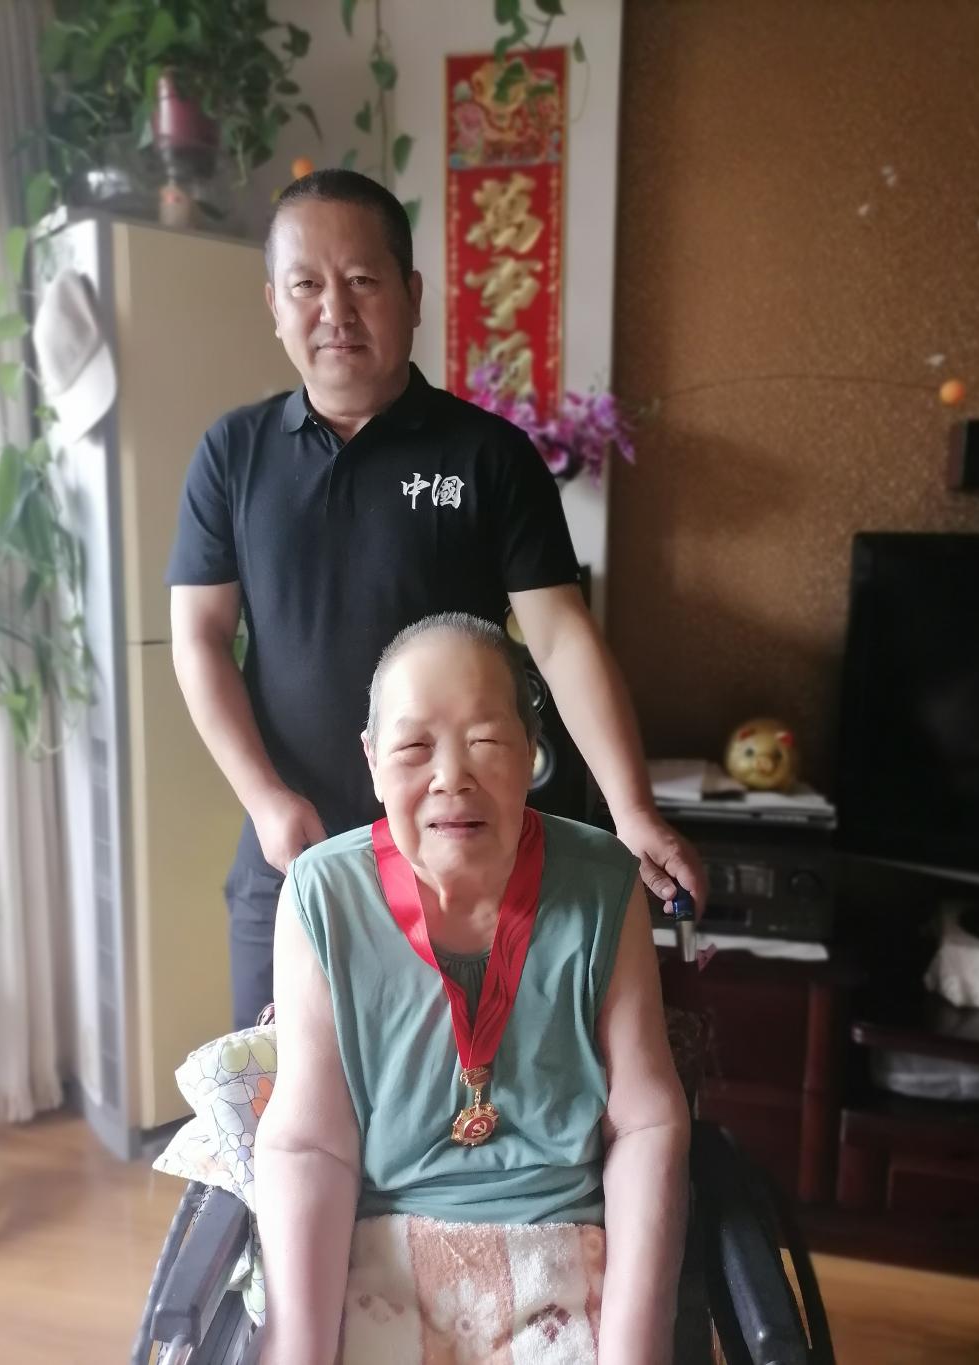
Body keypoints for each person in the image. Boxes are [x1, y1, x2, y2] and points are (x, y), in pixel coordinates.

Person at [167, 168, 704, 1028]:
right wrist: (264, 797)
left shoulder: (490, 456)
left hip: (460, 858)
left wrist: (632, 809)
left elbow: (561, 637)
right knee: (282, 1100)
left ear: (412, 295)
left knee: (463, 1098)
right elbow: (199, 637)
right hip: (293, 853)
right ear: (274, 304)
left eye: (362, 280)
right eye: (306, 285)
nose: (335, 310)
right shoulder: (234, 454)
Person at [254, 614, 690, 1364]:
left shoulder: (604, 885)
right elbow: (311, 1142)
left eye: (486, 741)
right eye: (414, 748)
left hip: (562, 1245)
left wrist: (634, 1346)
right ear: (372, 761)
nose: (451, 777)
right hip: (383, 1249)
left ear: (531, 750)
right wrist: (300, 1346)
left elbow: (646, 1123)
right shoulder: (321, 895)